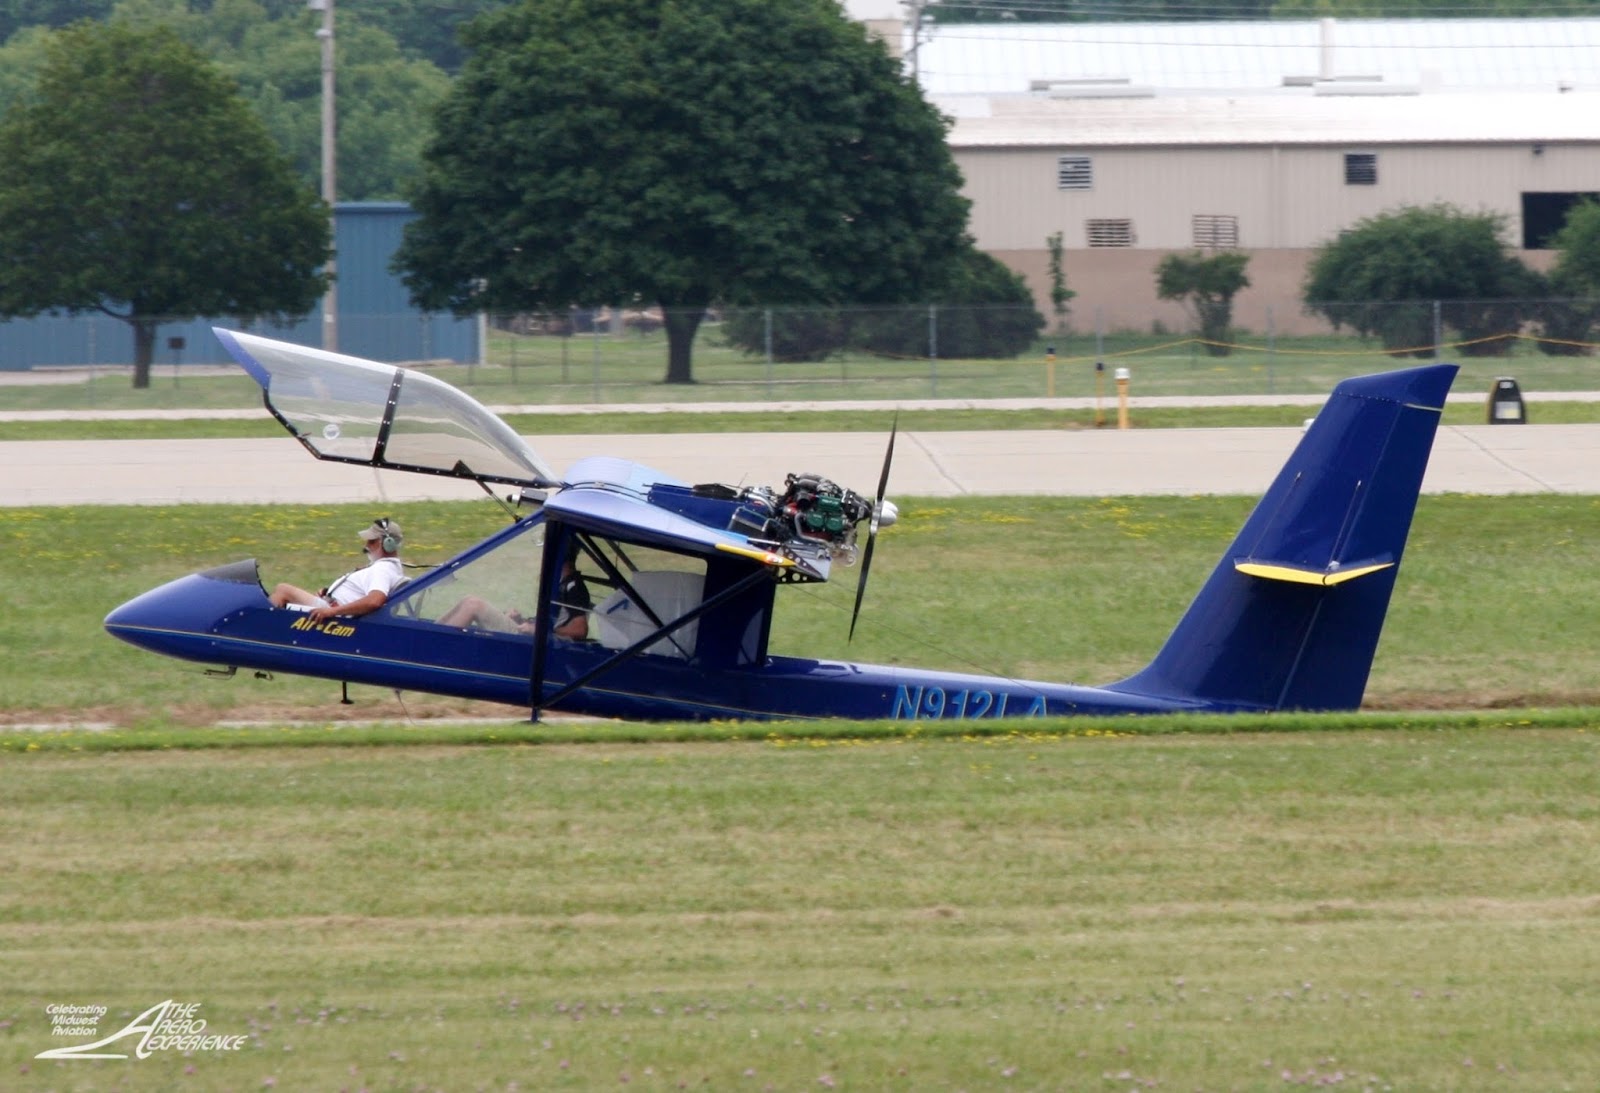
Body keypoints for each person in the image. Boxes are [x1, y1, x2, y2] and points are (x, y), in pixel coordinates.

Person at [268, 518, 407, 622]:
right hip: (331, 607)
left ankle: (262, 633)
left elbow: (374, 601)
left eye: (372, 541)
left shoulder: (382, 570)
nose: (366, 545)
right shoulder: (388, 567)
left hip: (334, 615)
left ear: (388, 544)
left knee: (283, 590)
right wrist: (328, 592)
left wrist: (332, 612)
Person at [438, 558, 591, 640]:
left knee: (473, 604)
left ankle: (437, 643)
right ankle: (433, 635)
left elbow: (580, 630)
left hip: (537, 642)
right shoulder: (563, 582)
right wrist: (521, 620)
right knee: (468, 600)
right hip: (532, 634)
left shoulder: (574, 587)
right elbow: (552, 619)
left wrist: (540, 630)